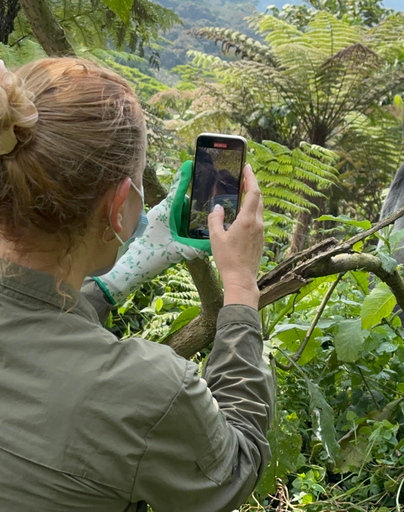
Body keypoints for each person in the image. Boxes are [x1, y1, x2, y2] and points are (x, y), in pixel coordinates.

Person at [0, 58, 274, 511]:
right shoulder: (149, 392)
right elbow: (234, 468)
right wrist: (242, 286)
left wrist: (114, 282)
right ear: (120, 204)